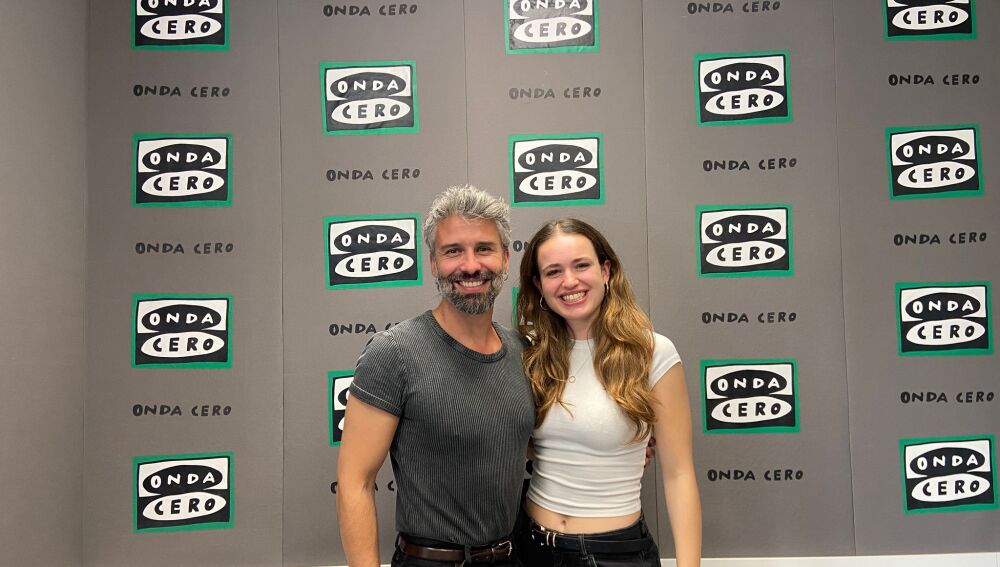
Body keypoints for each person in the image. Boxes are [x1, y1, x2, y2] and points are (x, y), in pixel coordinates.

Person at [337, 185, 535, 567]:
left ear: (506, 258)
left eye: (484, 248)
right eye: (453, 251)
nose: (471, 265)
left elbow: (529, 445)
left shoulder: (524, 353)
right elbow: (355, 483)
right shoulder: (393, 353)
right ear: (432, 262)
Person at [515, 218, 702, 567]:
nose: (569, 281)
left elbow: (679, 474)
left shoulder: (652, 353)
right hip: (530, 548)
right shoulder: (529, 355)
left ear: (606, 270)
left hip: (615, 554)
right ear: (539, 285)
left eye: (581, 265)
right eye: (553, 272)